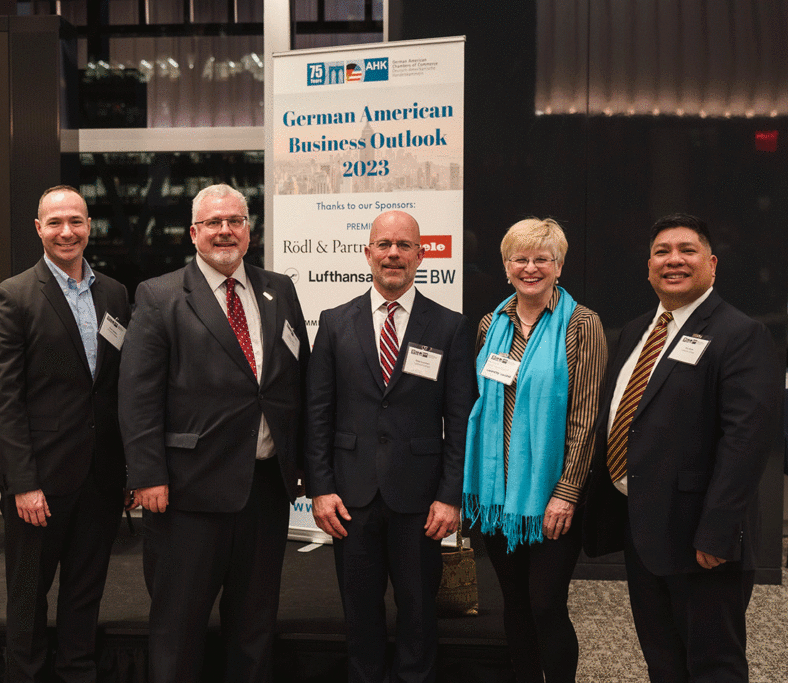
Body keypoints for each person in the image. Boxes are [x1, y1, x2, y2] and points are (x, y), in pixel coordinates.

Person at [118, 183, 309, 683]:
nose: (226, 231)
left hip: (265, 490)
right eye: (213, 223)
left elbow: (295, 381)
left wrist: (303, 461)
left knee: (254, 628)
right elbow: (137, 395)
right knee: (178, 631)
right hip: (187, 493)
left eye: (236, 221)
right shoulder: (159, 295)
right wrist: (146, 474)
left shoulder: (279, 289)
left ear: (249, 231)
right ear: (193, 233)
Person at [583, 213, 781, 682]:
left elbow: (746, 442)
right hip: (643, 530)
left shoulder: (740, 334)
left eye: (687, 250)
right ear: (648, 266)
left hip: (702, 540)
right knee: (663, 660)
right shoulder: (635, 332)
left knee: (713, 665)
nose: (674, 260)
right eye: (661, 252)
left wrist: (715, 532)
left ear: (711, 264)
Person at [305, 210, 476, 683]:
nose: (393, 254)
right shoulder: (336, 323)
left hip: (421, 500)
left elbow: (461, 420)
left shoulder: (450, 327)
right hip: (349, 498)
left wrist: (450, 495)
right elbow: (318, 413)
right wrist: (320, 487)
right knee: (359, 614)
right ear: (368, 253)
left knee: (420, 613)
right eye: (384, 245)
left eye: (404, 245)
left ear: (422, 254)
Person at [0, 185, 130, 683]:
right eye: (55, 222)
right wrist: (22, 482)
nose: (67, 231)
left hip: (100, 477)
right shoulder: (13, 295)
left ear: (90, 226)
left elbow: (115, 388)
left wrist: (128, 469)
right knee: (27, 599)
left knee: (85, 595)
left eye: (77, 221)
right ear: (38, 229)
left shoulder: (115, 293)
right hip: (39, 482)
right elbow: (3, 397)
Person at [464, 218, 606, 683]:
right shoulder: (492, 323)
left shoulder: (582, 325)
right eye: (520, 259)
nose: (530, 268)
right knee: (516, 604)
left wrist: (566, 492)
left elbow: (586, 418)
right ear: (506, 266)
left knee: (546, 604)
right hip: (498, 494)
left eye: (541, 259)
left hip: (551, 496)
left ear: (558, 266)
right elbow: (484, 404)